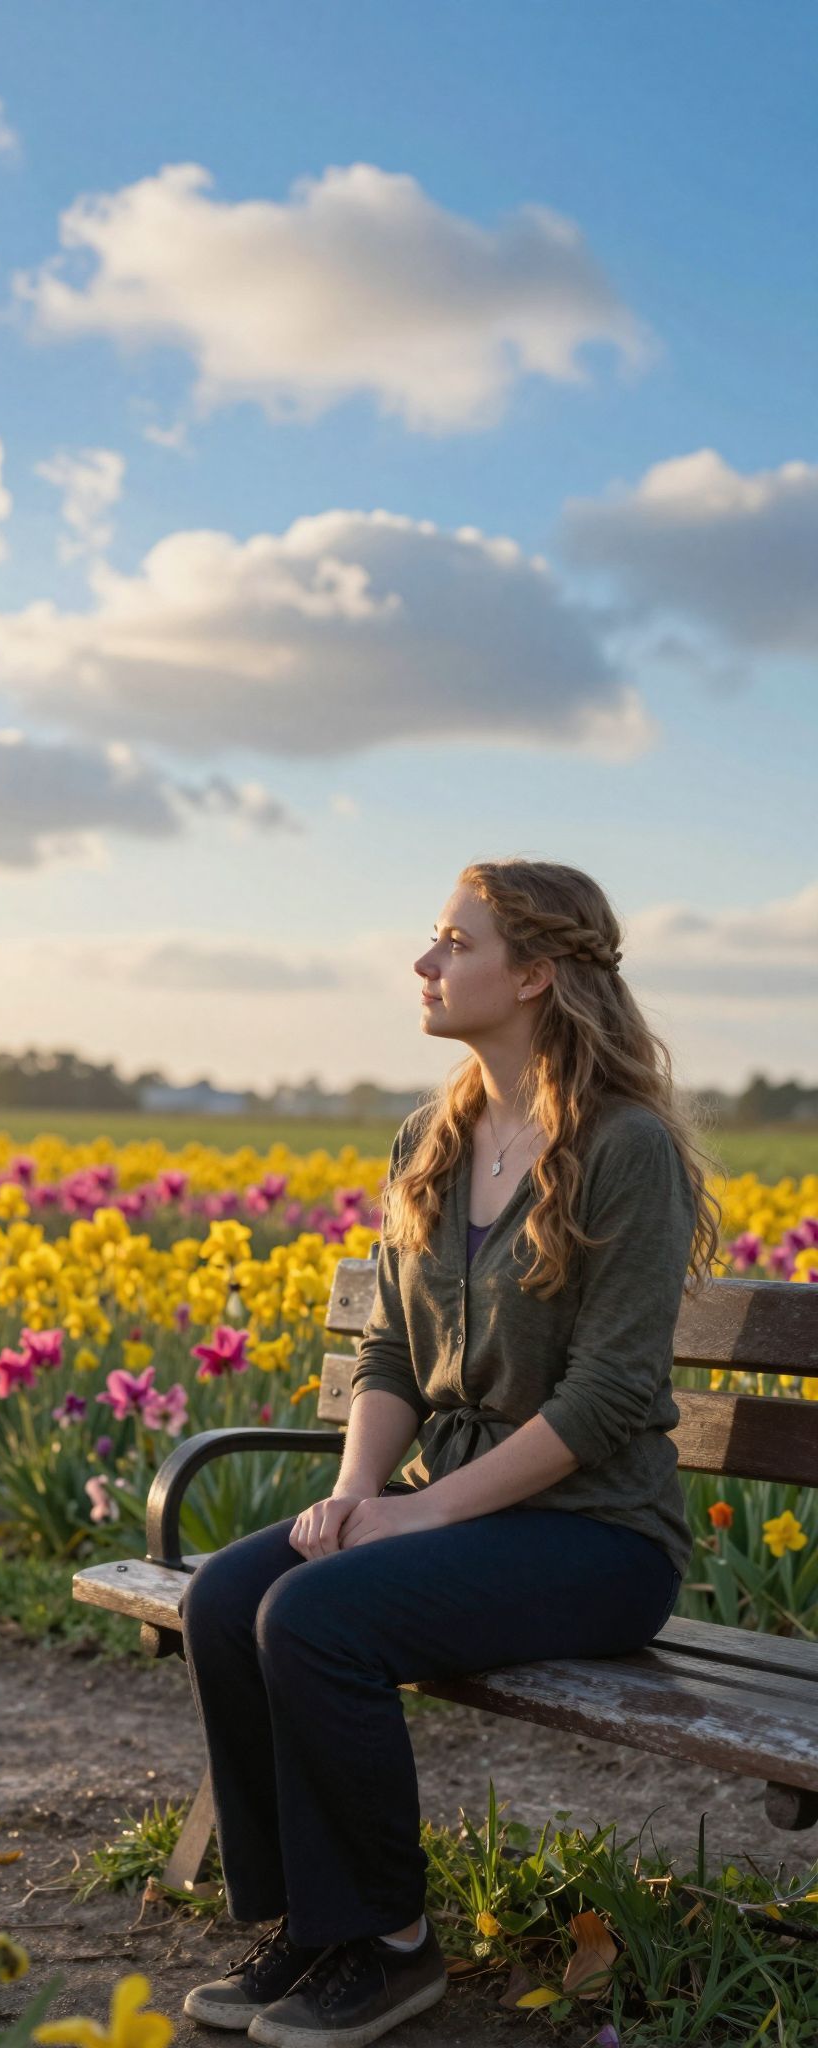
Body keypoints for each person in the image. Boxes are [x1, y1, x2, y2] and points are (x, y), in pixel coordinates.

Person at [178, 856, 723, 2048]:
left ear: (533, 974)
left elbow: (613, 1394)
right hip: (458, 1507)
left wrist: (421, 1518)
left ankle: (391, 1945)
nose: (424, 963)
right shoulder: (432, 1135)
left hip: (596, 1537)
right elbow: (386, 1353)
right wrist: (354, 1493)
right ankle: (315, 1928)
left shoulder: (626, 1149)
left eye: (451, 942)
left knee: (314, 1617)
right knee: (230, 1593)